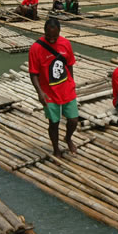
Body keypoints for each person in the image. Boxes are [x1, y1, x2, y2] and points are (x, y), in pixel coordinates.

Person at [29, 18, 79, 157]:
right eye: (48, 36)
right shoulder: (36, 48)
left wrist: (72, 83)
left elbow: (69, 64)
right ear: (44, 31)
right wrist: (40, 92)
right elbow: (33, 73)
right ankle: (56, 148)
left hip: (66, 88)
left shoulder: (66, 44)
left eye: (54, 36)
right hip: (49, 92)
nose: (51, 39)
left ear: (59, 32)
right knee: (54, 122)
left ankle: (68, 138)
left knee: (73, 120)